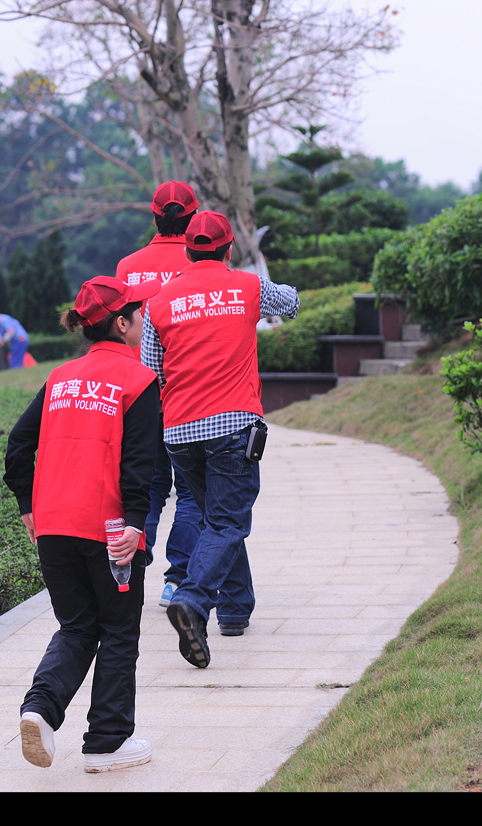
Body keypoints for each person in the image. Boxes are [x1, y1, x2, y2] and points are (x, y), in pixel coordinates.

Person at [3, 274, 162, 773]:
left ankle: (40, 710)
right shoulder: (138, 381)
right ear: (121, 323)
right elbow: (141, 465)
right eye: (136, 311)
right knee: (117, 629)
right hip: (110, 531)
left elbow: (16, 448)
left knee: (76, 626)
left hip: (53, 528)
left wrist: (29, 506)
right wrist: (136, 524)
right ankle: (107, 744)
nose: (142, 317)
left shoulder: (59, 379)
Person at [140, 210, 299, 668]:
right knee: (228, 521)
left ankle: (234, 611)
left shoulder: (159, 302)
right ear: (229, 249)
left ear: (187, 250)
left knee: (219, 515)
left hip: (179, 431)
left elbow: (152, 372)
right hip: (232, 426)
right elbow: (289, 304)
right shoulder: (247, 287)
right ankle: (192, 600)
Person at [116, 181, 203, 608]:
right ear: (193, 218)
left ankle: (132, 562)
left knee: (148, 489)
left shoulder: (128, 267)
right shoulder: (198, 267)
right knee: (190, 493)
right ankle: (177, 580)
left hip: (135, 397)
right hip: (188, 398)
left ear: (154, 217)